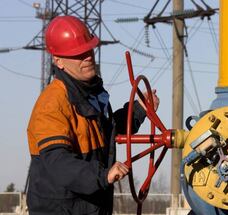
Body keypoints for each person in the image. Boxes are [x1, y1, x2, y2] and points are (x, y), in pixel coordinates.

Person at [26, 15, 159, 215]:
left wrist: (140, 109)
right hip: (61, 210)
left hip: (91, 207)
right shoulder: (52, 104)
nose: (87, 57)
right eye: (78, 54)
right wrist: (103, 176)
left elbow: (108, 133)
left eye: (89, 50)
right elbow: (58, 162)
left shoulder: (92, 95)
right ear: (58, 61)